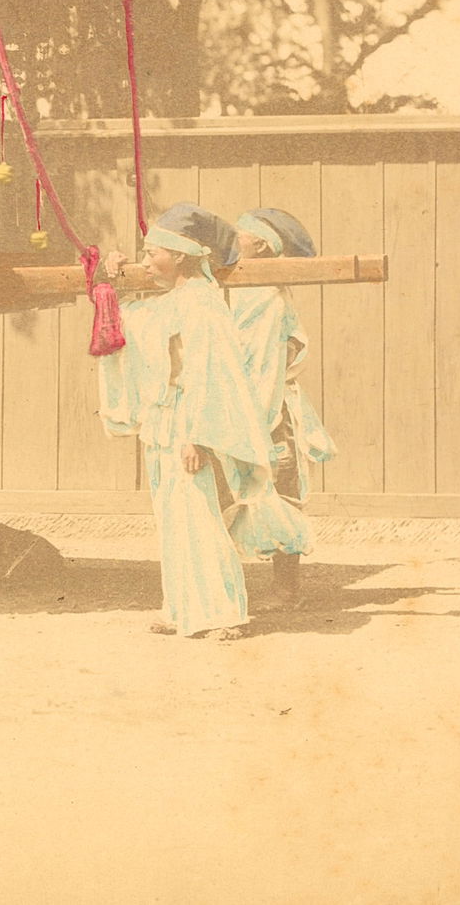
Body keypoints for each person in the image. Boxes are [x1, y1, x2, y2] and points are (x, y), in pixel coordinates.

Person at [98, 203, 303, 639]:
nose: (147, 260)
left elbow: (208, 374)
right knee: (173, 519)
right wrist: (109, 279)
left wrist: (196, 436)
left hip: (187, 428)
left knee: (199, 518)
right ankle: (182, 607)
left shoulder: (202, 303)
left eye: (153, 252)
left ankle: (220, 613)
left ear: (181, 256)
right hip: (163, 425)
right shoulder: (174, 300)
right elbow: (131, 326)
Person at [229, 207, 336, 606]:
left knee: (281, 486)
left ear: (260, 245)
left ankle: (285, 587)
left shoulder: (271, 298)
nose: (232, 237)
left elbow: (281, 351)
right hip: (234, 400)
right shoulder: (225, 284)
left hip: (270, 405)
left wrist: (259, 400)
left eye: (240, 233)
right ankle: (224, 585)